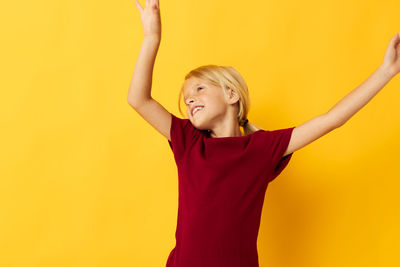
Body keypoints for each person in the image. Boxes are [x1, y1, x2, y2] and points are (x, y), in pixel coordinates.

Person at [128, 0, 400, 266]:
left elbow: (331, 119)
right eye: (186, 99)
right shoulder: (187, 141)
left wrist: (386, 71)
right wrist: (152, 37)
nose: (190, 100)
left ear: (231, 94)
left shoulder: (262, 148)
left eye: (199, 89)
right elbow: (138, 100)